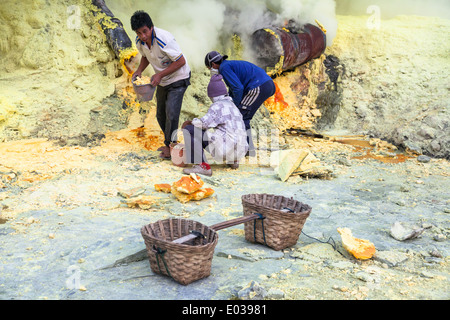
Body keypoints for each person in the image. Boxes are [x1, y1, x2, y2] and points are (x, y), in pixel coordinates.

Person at [131, 10, 191, 160]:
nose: (143, 36)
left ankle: (171, 146)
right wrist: (139, 70)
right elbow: (146, 56)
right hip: (163, 80)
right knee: (160, 114)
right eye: (139, 33)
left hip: (179, 78)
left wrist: (159, 74)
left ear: (151, 27)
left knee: (171, 112)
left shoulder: (164, 38)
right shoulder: (140, 42)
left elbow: (181, 61)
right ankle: (169, 143)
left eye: (145, 31)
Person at [204, 51, 276, 156]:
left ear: (213, 64)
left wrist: (234, 105)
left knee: (241, 116)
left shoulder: (224, 68)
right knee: (242, 115)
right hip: (265, 84)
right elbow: (234, 88)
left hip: (258, 86)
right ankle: (247, 149)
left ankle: (247, 150)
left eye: (209, 68)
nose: (211, 70)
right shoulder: (228, 64)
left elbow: (238, 88)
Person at [181, 74, 248, 177]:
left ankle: (203, 167)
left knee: (190, 129)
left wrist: (190, 122)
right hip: (241, 150)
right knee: (229, 133)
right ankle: (233, 161)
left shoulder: (217, 106)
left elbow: (203, 124)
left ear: (213, 96)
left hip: (224, 150)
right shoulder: (233, 106)